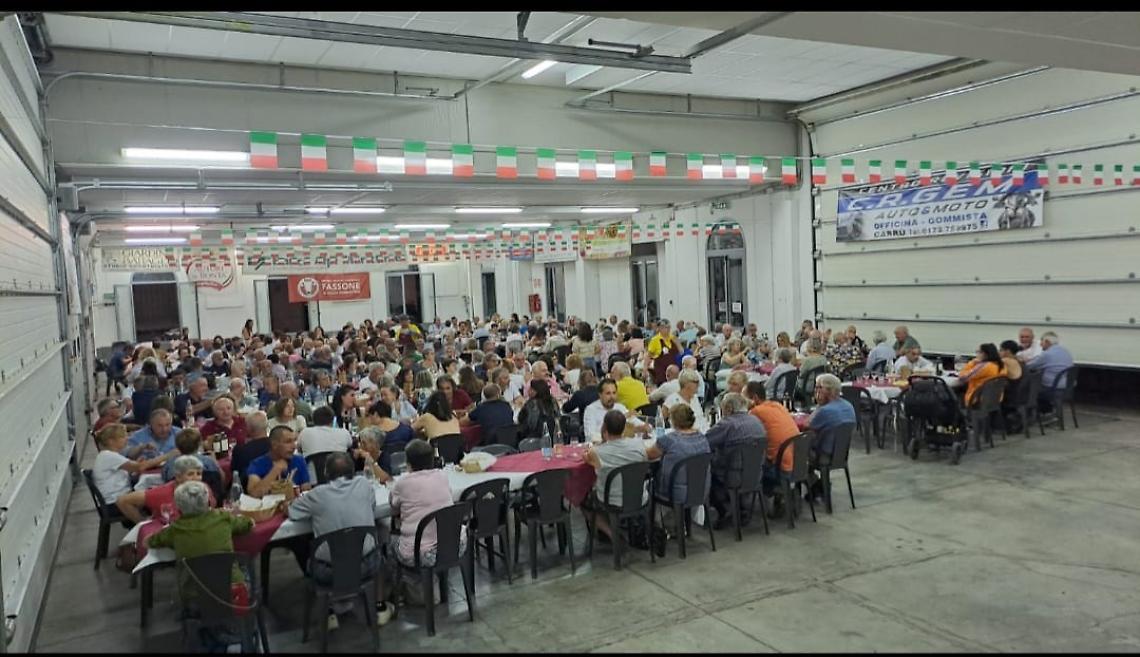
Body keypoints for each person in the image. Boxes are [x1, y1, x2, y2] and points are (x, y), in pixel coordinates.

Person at [287, 451, 382, 625]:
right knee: (380, 539)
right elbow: (372, 505)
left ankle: (330, 609)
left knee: (308, 549)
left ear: (325, 473)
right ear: (353, 470)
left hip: (330, 572)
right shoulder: (364, 485)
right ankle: (379, 605)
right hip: (366, 565)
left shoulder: (317, 495)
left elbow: (292, 511)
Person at [387, 439, 465, 574]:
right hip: (456, 546)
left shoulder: (402, 483)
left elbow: (394, 506)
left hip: (421, 554)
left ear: (408, 463)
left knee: (390, 541)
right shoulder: (442, 476)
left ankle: (406, 584)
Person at [581, 410, 649, 542]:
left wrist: (602, 440)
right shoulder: (638, 444)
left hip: (611, 500)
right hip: (639, 497)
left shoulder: (597, 452)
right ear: (624, 427)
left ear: (604, 428)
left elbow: (586, 457)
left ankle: (611, 533)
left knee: (583, 501)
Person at [704, 393, 766, 528]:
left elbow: (704, 443)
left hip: (732, 476)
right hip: (755, 475)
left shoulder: (727, 425)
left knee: (705, 471)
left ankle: (723, 510)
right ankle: (741, 508)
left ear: (728, 408)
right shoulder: (756, 421)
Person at [745, 381, 801, 518]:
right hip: (797, 463)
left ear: (754, 398)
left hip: (780, 469)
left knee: (746, 465)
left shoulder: (756, 412)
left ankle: (743, 508)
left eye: (744, 398)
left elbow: (745, 434)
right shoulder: (778, 405)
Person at [645, 404, 710, 505]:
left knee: (647, 483)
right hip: (701, 491)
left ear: (673, 420)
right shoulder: (703, 438)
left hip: (674, 494)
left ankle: (654, 514)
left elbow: (648, 455)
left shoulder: (668, 440)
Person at [117, 455, 213, 524]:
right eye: (190, 474)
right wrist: (143, 523)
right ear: (178, 477)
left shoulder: (204, 488)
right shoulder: (162, 493)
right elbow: (122, 501)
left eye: (199, 474)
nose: (196, 478)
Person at [93, 423, 171, 504]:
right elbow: (140, 467)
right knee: (158, 493)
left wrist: (137, 464)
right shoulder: (109, 456)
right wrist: (168, 455)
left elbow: (132, 468)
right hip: (115, 500)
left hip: (119, 496)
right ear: (111, 441)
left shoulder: (108, 455)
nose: (127, 439)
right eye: (122, 437)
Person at [806, 374, 856, 497]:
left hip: (824, 454)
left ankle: (813, 484)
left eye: (819, 387)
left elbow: (807, 425)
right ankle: (817, 485)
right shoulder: (848, 406)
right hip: (841, 454)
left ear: (829, 390)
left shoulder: (825, 411)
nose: (816, 391)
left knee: (796, 453)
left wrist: (819, 404)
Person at [246, 426, 312, 498]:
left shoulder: (299, 460)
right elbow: (254, 494)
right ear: (274, 445)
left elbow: (306, 491)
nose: (294, 446)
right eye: (288, 442)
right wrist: (275, 470)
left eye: (294, 441)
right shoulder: (257, 464)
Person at [582, 378, 648, 441]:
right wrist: (621, 421)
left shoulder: (620, 407)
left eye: (614, 393)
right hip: (602, 447)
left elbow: (640, 424)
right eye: (608, 393)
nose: (612, 397)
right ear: (600, 395)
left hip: (622, 446)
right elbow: (590, 436)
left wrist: (644, 428)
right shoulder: (591, 410)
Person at [1027, 332, 1074, 409]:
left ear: (1047, 342)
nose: (1040, 344)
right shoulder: (1065, 351)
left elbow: (1029, 366)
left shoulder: (1047, 354)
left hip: (1052, 388)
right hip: (1067, 387)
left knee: (1031, 388)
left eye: (1042, 342)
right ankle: (1047, 410)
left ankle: (1030, 411)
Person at [231, 411, 271, 490]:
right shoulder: (278, 446)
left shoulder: (240, 450)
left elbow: (235, 474)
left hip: (247, 489)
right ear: (267, 426)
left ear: (248, 428)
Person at [646, 319, 682, 385]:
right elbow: (648, 356)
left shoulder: (673, 338)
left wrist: (678, 343)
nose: (668, 329)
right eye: (665, 327)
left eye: (669, 327)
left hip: (673, 372)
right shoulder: (655, 340)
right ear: (659, 328)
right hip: (661, 372)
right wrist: (645, 369)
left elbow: (681, 352)